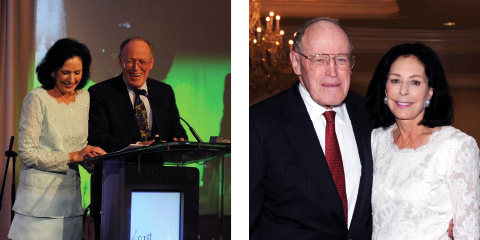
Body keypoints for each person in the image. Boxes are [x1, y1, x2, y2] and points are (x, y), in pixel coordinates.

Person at [250, 17, 374, 239]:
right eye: (319, 60)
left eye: (341, 59)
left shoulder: (371, 116)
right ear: (296, 62)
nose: (332, 71)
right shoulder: (260, 124)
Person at [365, 42, 480, 239]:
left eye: (415, 82)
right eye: (395, 80)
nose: (403, 91)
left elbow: (468, 233)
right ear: (384, 89)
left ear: (430, 92)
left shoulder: (456, 147)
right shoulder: (375, 141)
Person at [87, 36, 187, 238]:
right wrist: (138, 145)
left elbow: (176, 128)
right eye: (130, 61)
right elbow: (97, 137)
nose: (136, 67)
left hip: (157, 186)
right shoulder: (100, 92)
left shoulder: (163, 92)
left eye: (142, 61)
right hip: (115, 184)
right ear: (119, 61)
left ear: (151, 62)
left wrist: (179, 139)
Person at [8, 38, 106, 239]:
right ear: (53, 70)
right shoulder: (37, 98)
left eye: (77, 73)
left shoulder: (84, 98)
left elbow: (79, 149)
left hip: (70, 203)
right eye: (65, 72)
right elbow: (28, 154)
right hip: (37, 205)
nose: (72, 79)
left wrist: (90, 158)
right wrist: (73, 156)